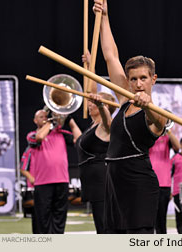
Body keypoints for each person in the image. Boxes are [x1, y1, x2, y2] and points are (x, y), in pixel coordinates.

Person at [94, 0, 167, 234]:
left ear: (153, 79)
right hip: (114, 182)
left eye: (143, 78)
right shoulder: (125, 100)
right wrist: (105, 17)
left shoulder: (157, 113)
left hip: (138, 183)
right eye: (133, 79)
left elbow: (159, 123)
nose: (137, 84)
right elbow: (110, 56)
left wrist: (148, 106)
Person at [71, 51, 117, 234]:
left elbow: (108, 121)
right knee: (101, 226)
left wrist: (101, 105)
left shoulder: (106, 126)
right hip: (93, 182)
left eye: (95, 103)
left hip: (103, 182)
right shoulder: (92, 125)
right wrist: (89, 67)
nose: (89, 103)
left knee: (106, 228)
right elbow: (91, 92)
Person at [26, 109, 79, 234]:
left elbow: (79, 139)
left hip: (62, 180)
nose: (45, 118)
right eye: (41, 117)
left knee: (60, 215)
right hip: (43, 183)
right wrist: (50, 123)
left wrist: (70, 121)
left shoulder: (60, 133)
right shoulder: (31, 135)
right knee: (43, 216)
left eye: (46, 116)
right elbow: (39, 137)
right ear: (35, 120)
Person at [149, 126, 180, 234]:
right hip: (149, 183)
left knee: (162, 219)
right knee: (148, 218)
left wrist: (168, 130)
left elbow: (177, 147)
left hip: (164, 184)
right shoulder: (148, 135)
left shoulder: (167, 137)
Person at [19, 146, 39, 234]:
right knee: (38, 218)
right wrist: (31, 178)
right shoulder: (30, 149)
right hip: (35, 188)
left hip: (49, 185)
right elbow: (23, 168)